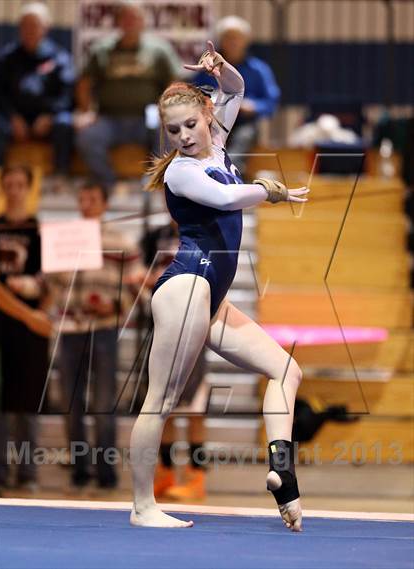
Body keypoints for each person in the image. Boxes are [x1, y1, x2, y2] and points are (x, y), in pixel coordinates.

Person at [129, 41, 309, 530]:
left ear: (208, 116)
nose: (184, 137)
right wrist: (269, 190)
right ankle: (142, 506)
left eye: (191, 124)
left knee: (286, 371)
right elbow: (226, 199)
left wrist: (221, 68)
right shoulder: (183, 174)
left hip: (211, 297)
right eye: (173, 131)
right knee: (162, 401)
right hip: (186, 286)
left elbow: (237, 88)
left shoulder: (219, 145)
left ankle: (282, 474)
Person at [48, 181, 138, 490]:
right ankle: (79, 469)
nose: (87, 204)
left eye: (93, 199)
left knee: (103, 402)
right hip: (71, 327)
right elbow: (51, 286)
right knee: (71, 403)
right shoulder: (63, 239)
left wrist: (116, 305)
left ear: (104, 204)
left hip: (103, 329)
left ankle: (106, 472)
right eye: (83, 198)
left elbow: (135, 285)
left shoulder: (121, 240)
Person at [129, 221, 208, 501]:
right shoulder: (155, 235)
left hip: (192, 321)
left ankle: (197, 476)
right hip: (160, 323)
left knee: (194, 406)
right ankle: (166, 473)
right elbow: (139, 271)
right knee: (164, 402)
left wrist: (163, 279)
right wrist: (142, 279)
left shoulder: (203, 230)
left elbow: (207, 273)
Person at [75, 1, 182, 191]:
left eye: (135, 18)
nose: (130, 22)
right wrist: (86, 112)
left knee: (169, 131)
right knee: (87, 137)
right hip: (109, 117)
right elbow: (84, 84)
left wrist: (167, 109)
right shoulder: (102, 49)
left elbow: (174, 83)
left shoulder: (159, 49)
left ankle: (154, 179)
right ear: (118, 22)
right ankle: (107, 181)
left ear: (143, 22)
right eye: (125, 18)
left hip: (148, 115)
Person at [0, 165, 51, 495]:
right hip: (0, 322)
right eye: (9, 184)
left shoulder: (40, 230)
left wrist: (32, 292)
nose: (14, 189)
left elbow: (51, 279)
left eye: (20, 184)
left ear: (29, 188)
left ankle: (28, 473)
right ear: (3, 188)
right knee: (0, 401)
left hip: (31, 321)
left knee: (28, 401)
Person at [0, 2, 75, 181]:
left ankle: (60, 178)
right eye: (25, 25)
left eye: (34, 25)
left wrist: (49, 115)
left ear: (45, 28)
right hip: (14, 118)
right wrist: (12, 116)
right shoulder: (7, 58)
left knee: (65, 124)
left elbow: (67, 95)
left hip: (47, 118)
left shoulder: (60, 57)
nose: (29, 30)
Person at [193, 16, 280, 175]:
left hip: (244, 123)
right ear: (220, 40)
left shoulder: (259, 69)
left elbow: (271, 101)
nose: (233, 42)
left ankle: (228, 176)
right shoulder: (208, 67)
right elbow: (195, 94)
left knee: (242, 141)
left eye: (237, 38)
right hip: (213, 121)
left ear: (246, 41)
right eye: (228, 37)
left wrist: (253, 106)